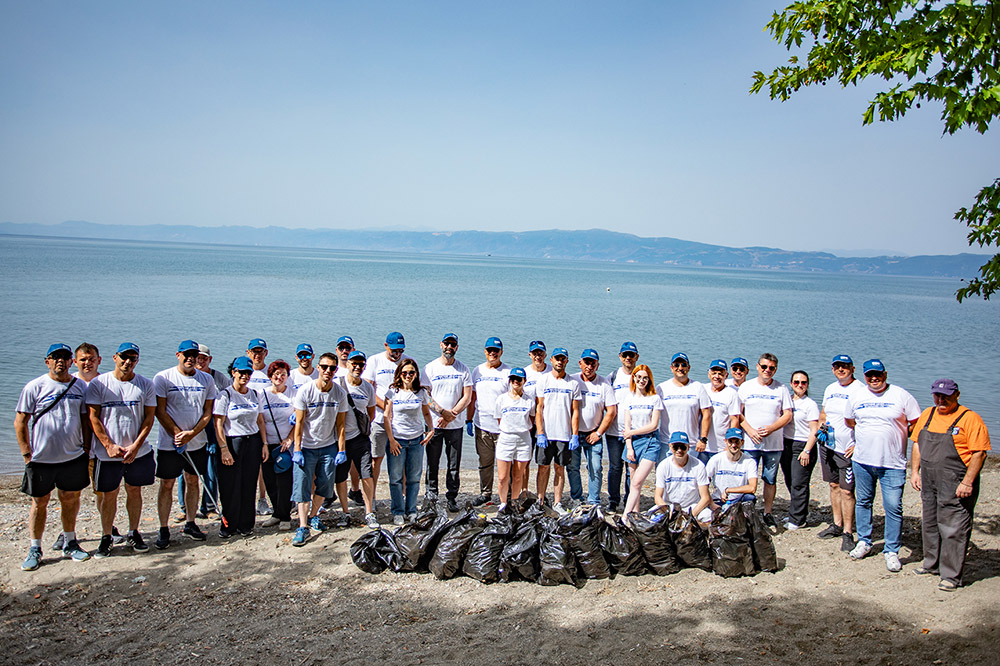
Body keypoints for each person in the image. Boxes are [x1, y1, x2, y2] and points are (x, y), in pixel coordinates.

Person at [16, 343, 92, 570]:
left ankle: (70, 542)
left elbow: (86, 419)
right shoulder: (35, 386)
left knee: (70, 499)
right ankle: (35, 547)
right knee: (39, 502)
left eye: (65, 357)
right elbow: (21, 421)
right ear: (47, 361)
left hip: (72, 456)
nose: (60, 360)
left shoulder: (80, 387)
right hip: (41, 458)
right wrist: (26, 453)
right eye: (55, 356)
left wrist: (86, 448)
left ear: (71, 361)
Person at [910, 378, 992, 590]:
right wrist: (915, 472)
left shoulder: (970, 419)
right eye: (937, 395)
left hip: (956, 480)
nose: (941, 400)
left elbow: (979, 454)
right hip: (929, 478)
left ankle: (951, 576)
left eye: (946, 396)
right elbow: (917, 444)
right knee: (930, 521)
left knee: (953, 526)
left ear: (956, 395)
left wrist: (967, 482)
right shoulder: (928, 414)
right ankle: (931, 564)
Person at [844, 359, 920, 572]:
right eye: (870, 375)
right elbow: (850, 421)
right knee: (863, 502)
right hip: (862, 461)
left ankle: (892, 550)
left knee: (893, 506)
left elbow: (916, 423)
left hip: (893, 463)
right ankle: (864, 541)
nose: (874, 378)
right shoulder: (857, 395)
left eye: (878, 374)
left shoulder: (901, 395)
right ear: (865, 376)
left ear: (885, 375)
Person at [86, 342, 156, 557]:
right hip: (107, 454)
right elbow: (93, 417)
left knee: (134, 491)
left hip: (137, 452)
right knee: (109, 495)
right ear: (115, 357)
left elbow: (149, 418)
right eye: (124, 357)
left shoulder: (145, 384)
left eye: (132, 358)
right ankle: (106, 536)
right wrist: (108, 445)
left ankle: (134, 532)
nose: (128, 362)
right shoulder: (99, 384)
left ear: (137, 360)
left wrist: (136, 446)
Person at [153, 339, 217, 550]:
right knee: (167, 484)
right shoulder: (163, 378)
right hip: (170, 444)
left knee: (192, 480)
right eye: (186, 355)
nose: (190, 358)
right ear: (178, 355)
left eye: (194, 355)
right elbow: (160, 410)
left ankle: (191, 522)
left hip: (196, 442)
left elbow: (207, 412)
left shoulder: (206, 379)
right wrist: (177, 433)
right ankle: (163, 528)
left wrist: (192, 434)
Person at [291, 352, 349, 546]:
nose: (328, 371)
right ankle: (302, 526)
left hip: (328, 447)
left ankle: (313, 516)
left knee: (324, 485)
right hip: (306, 447)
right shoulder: (306, 391)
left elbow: (341, 424)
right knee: (303, 487)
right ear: (318, 367)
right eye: (324, 367)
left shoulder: (339, 393)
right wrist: (297, 450)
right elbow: (299, 423)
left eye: (332, 368)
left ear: (336, 370)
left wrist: (341, 450)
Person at [213, 357, 269, 538]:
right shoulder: (225, 395)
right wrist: (223, 448)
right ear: (233, 373)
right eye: (241, 372)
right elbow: (218, 423)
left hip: (252, 441)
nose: (245, 376)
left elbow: (260, 421)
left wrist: (264, 444)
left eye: (248, 373)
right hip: (232, 442)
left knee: (249, 484)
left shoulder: (254, 394)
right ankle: (229, 525)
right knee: (230, 485)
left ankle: (246, 524)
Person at [738, 353, 793, 526]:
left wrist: (772, 428)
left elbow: (788, 414)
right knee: (747, 478)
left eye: (771, 368)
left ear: (775, 369)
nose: (767, 370)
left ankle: (767, 512)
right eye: (764, 367)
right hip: (750, 442)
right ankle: (746, 512)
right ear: (757, 367)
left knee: (770, 479)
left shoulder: (781, 388)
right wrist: (750, 431)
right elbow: (738, 413)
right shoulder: (746, 387)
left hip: (773, 444)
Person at [423, 333, 473, 512]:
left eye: (453, 345)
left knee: (453, 464)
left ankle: (451, 497)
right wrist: (442, 413)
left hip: (455, 425)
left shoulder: (463, 369)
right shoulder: (430, 368)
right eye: (447, 344)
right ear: (441, 345)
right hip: (434, 425)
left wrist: (452, 414)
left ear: (457, 347)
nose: (449, 347)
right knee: (432, 462)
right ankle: (431, 495)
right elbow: (426, 396)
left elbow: (467, 397)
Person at [817, 354, 862, 551]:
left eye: (845, 366)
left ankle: (848, 532)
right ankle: (837, 524)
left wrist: (858, 444)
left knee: (847, 490)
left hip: (847, 449)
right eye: (837, 366)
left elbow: (865, 420)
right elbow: (824, 413)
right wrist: (821, 426)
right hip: (828, 445)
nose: (841, 370)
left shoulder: (860, 389)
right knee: (834, 485)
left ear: (852, 369)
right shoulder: (830, 388)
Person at [384, 359, 435, 525]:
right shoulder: (393, 391)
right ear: (399, 374)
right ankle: (398, 511)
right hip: (397, 440)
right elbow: (386, 416)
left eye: (411, 372)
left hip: (416, 440)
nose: (408, 375)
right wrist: (391, 439)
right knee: (396, 478)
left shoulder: (420, 392)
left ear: (416, 374)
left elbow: (426, 413)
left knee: (414, 477)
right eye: (405, 372)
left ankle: (411, 510)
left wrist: (431, 430)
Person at [362, 332, 411, 494]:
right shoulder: (374, 361)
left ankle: (402, 496)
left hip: (401, 421)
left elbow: (414, 390)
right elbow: (368, 390)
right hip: (379, 420)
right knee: (375, 459)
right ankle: (371, 497)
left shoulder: (408, 362)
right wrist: (387, 408)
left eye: (400, 351)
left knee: (401, 461)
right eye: (394, 350)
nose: (397, 354)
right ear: (386, 346)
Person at [534, 347, 581, 513]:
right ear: (551, 360)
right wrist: (540, 432)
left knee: (560, 469)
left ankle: (557, 502)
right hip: (546, 434)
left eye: (563, 359)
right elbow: (539, 408)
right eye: (557, 358)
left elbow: (575, 411)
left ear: (566, 361)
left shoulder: (573, 383)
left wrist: (574, 435)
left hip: (564, 435)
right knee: (543, 467)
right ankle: (540, 500)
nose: (559, 362)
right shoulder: (543, 380)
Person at [569, 349, 616, 506]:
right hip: (574, 433)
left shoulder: (604, 385)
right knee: (573, 467)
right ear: (580, 363)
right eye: (586, 363)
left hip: (593, 434)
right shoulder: (572, 380)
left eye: (592, 363)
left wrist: (599, 433)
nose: (589, 366)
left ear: (597, 365)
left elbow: (611, 411)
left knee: (595, 467)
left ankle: (594, 501)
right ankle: (576, 498)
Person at [467, 337, 509, 508]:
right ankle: (485, 493)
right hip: (482, 425)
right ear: (485, 352)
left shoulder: (508, 372)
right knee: (485, 463)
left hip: (503, 428)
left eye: (496, 350)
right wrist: (468, 420)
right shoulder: (477, 371)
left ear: (501, 352)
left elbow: (513, 398)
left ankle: (507, 495)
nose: (493, 353)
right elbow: (472, 398)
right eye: (489, 350)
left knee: (505, 464)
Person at [338, 351, 379, 529]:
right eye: (354, 363)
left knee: (367, 474)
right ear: (347, 364)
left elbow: (371, 413)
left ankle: (369, 512)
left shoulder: (368, 388)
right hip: (339, 438)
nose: (357, 367)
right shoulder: (338, 384)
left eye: (361, 364)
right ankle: (344, 512)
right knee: (341, 477)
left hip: (360, 438)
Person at [621, 364, 663, 517]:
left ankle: (625, 516)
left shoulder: (655, 398)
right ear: (634, 378)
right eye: (638, 377)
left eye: (645, 378)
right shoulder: (629, 398)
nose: (641, 380)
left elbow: (653, 425)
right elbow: (627, 425)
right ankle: (635, 513)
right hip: (632, 442)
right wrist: (629, 447)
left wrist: (632, 432)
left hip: (650, 441)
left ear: (649, 380)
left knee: (637, 481)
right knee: (633, 482)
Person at [780, 370, 820, 531]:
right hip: (786, 444)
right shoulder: (788, 401)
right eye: (796, 382)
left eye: (803, 382)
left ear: (807, 385)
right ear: (791, 384)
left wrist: (807, 450)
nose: (800, 385)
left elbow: (814, 430)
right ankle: (798, 512)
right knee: (790, 480)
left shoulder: (810, 404)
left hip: (803, 445)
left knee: (799, 483)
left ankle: (798, 520)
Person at [192, 344, 228, 520]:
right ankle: (185, 508)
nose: (200, 361)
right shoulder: (189, 376)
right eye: (197, 357)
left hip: (212, 425)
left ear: (210, 359)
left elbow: (230, 395)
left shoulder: (218, 378)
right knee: (187, 470)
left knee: (211, 467)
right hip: (192, 425)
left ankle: (209, 506)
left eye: (204, 358)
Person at [260, 359, 296, 530]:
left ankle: (285, 516)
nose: (279, 377)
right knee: (270, 480)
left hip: (285, 445)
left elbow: (300, 419)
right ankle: (277, 513)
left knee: (284, 481)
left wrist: (290, 439)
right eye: (276, 374)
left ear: (287, 376)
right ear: (270, 376)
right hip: (267, 444)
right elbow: (260, 420)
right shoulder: (262, 394)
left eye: (283, 374)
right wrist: (263, 443)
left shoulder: (293, 394)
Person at [657, 353, 712, 464]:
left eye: (683, 365)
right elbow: (653, 413)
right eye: (676, 365)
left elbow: (706, 414)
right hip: (666, 443)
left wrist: (703, 439)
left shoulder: (698, 387)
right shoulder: (661, 388)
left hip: (690, 444)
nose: (680, 368)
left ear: (689, 367)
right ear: (671, 368)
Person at [494, 367, 535, 511]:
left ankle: (514, 503)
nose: (516, 381)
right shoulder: (501, 399)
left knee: (518, 476)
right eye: (513, 379)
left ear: (524, 381)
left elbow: (531, 419)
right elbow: (499, 419)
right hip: (506, 438)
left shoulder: (529, 400)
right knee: (502, 477)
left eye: (519, 379)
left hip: (523, 440)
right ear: (510, 381)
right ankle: (503, 503)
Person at [604, 341, 638, 513]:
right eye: (625, 355)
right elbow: (604, 401)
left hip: (635, 431)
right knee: (615, 467)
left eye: (631, 355)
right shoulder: (613, 376)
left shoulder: (641, 376)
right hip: (614, 431)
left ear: (636, 357)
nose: (628, 358)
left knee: (631, 468)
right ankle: (613, 501)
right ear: (620, 357)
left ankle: (629, 501)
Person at [654, 432, 713, 526]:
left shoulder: (698, 465)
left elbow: (705, 498)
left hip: (692, 506)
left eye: (683, 447)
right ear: (670, 447)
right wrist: (669, 513)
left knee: (709, 517)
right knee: (651, 520)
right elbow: (658, 497)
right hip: (670, 506)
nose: (679, 450)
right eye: (675, 447)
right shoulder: (663, 466)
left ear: (688, 447)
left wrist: (689, 516)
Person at [246, 339, 271, 516]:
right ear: (248, 353)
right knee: (247, 466)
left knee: (263, 465)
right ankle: (247, 500)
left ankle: (262, 499)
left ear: (265, 353)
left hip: (266, 425)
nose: (257, 355)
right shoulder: (244, 371)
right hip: (246, 426)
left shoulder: (270, 372)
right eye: (254, 352)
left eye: (260, 351)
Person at [706, 428, 759, 505]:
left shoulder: (749, 462)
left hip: (739, 500)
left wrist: (728, 490)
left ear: (742, 442)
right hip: (719, 499)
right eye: (730, 441)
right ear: (725, 441)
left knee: (750, 498)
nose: (734, 445)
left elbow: (752, 488)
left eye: (737, 442)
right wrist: (710, 502)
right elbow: (704, 482)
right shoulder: (716, 459)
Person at [705, 359, 742, 461]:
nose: (717, 376)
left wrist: (730, 444)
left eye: (721, 374)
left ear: (726, 376)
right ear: (708, 374)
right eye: (714, 373)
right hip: (702, 445)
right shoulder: (703, 389)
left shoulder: (732, 394)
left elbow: (734, 419)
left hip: (721, 447)